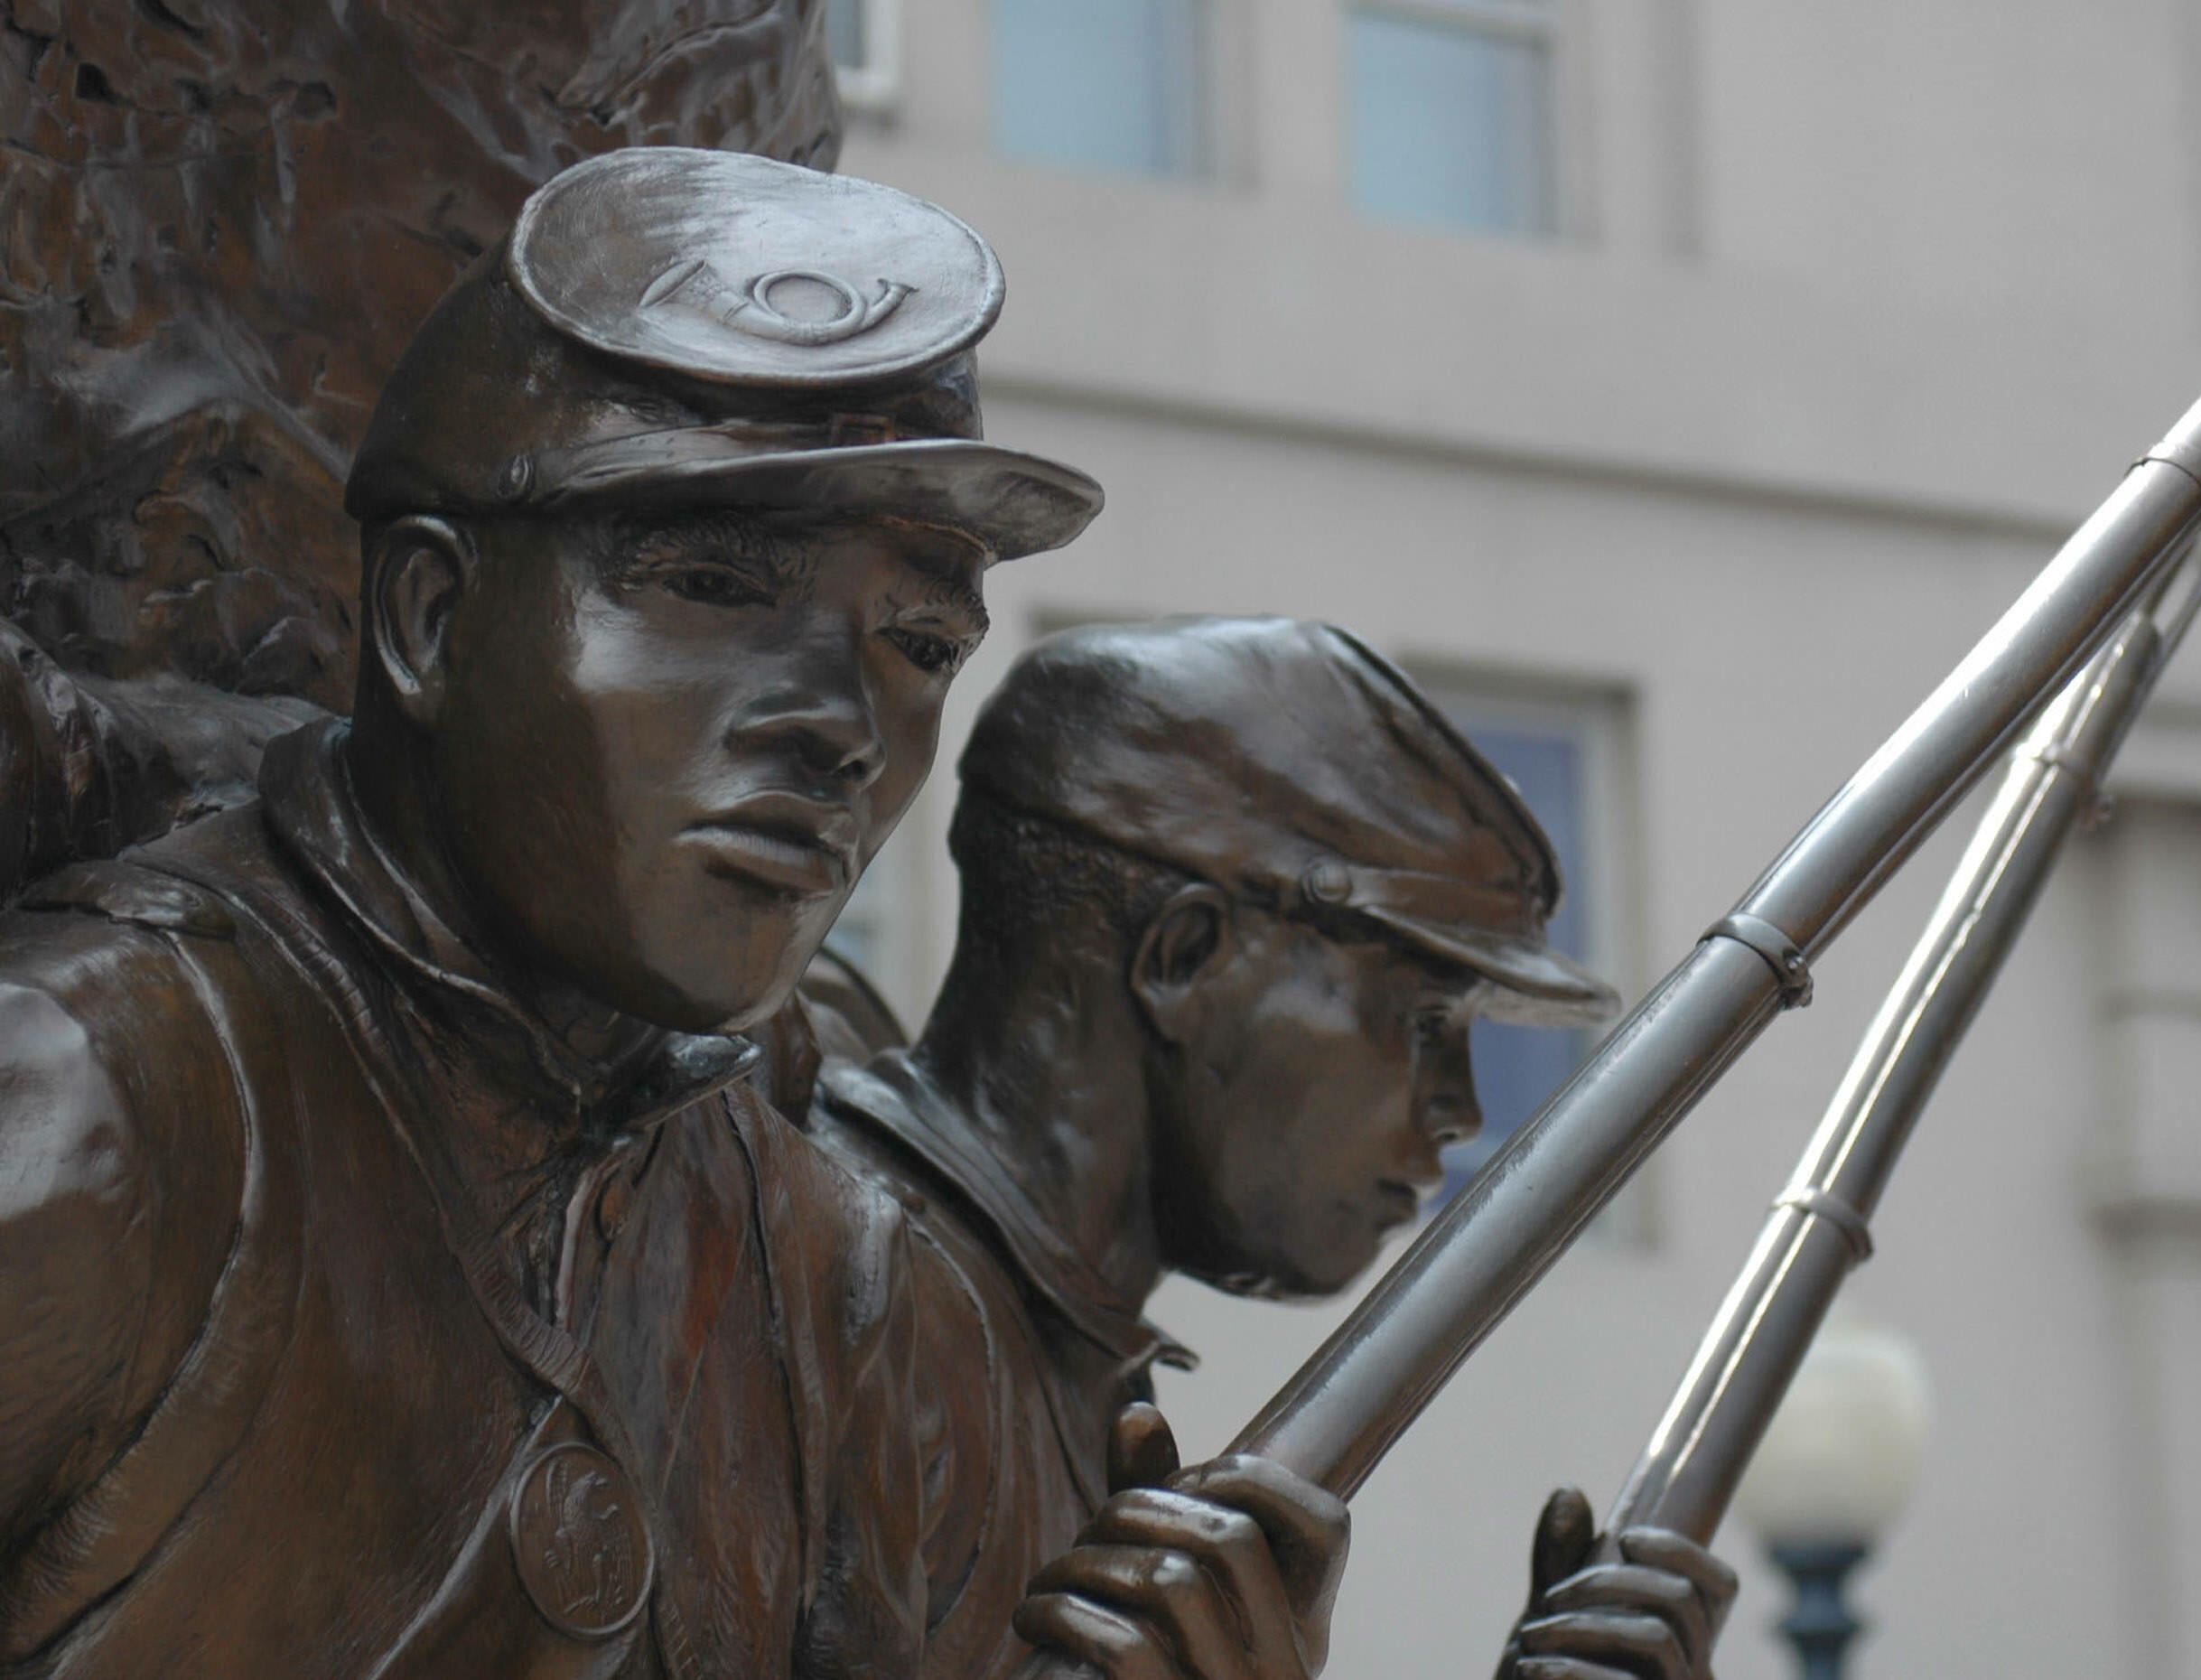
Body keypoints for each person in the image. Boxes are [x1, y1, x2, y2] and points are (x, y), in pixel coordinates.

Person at [0, 147, 1320, 1679]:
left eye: (915, 642)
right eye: (711, 583)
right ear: (432, 620)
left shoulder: (834, 1278)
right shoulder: (98, 1106)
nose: (841, 723)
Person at [812, 617, 1739, 1679]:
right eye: (1426, 1022)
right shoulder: (825, 1288)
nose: (1460, 1108)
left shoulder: (1044, 1350)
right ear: (1186, 957)